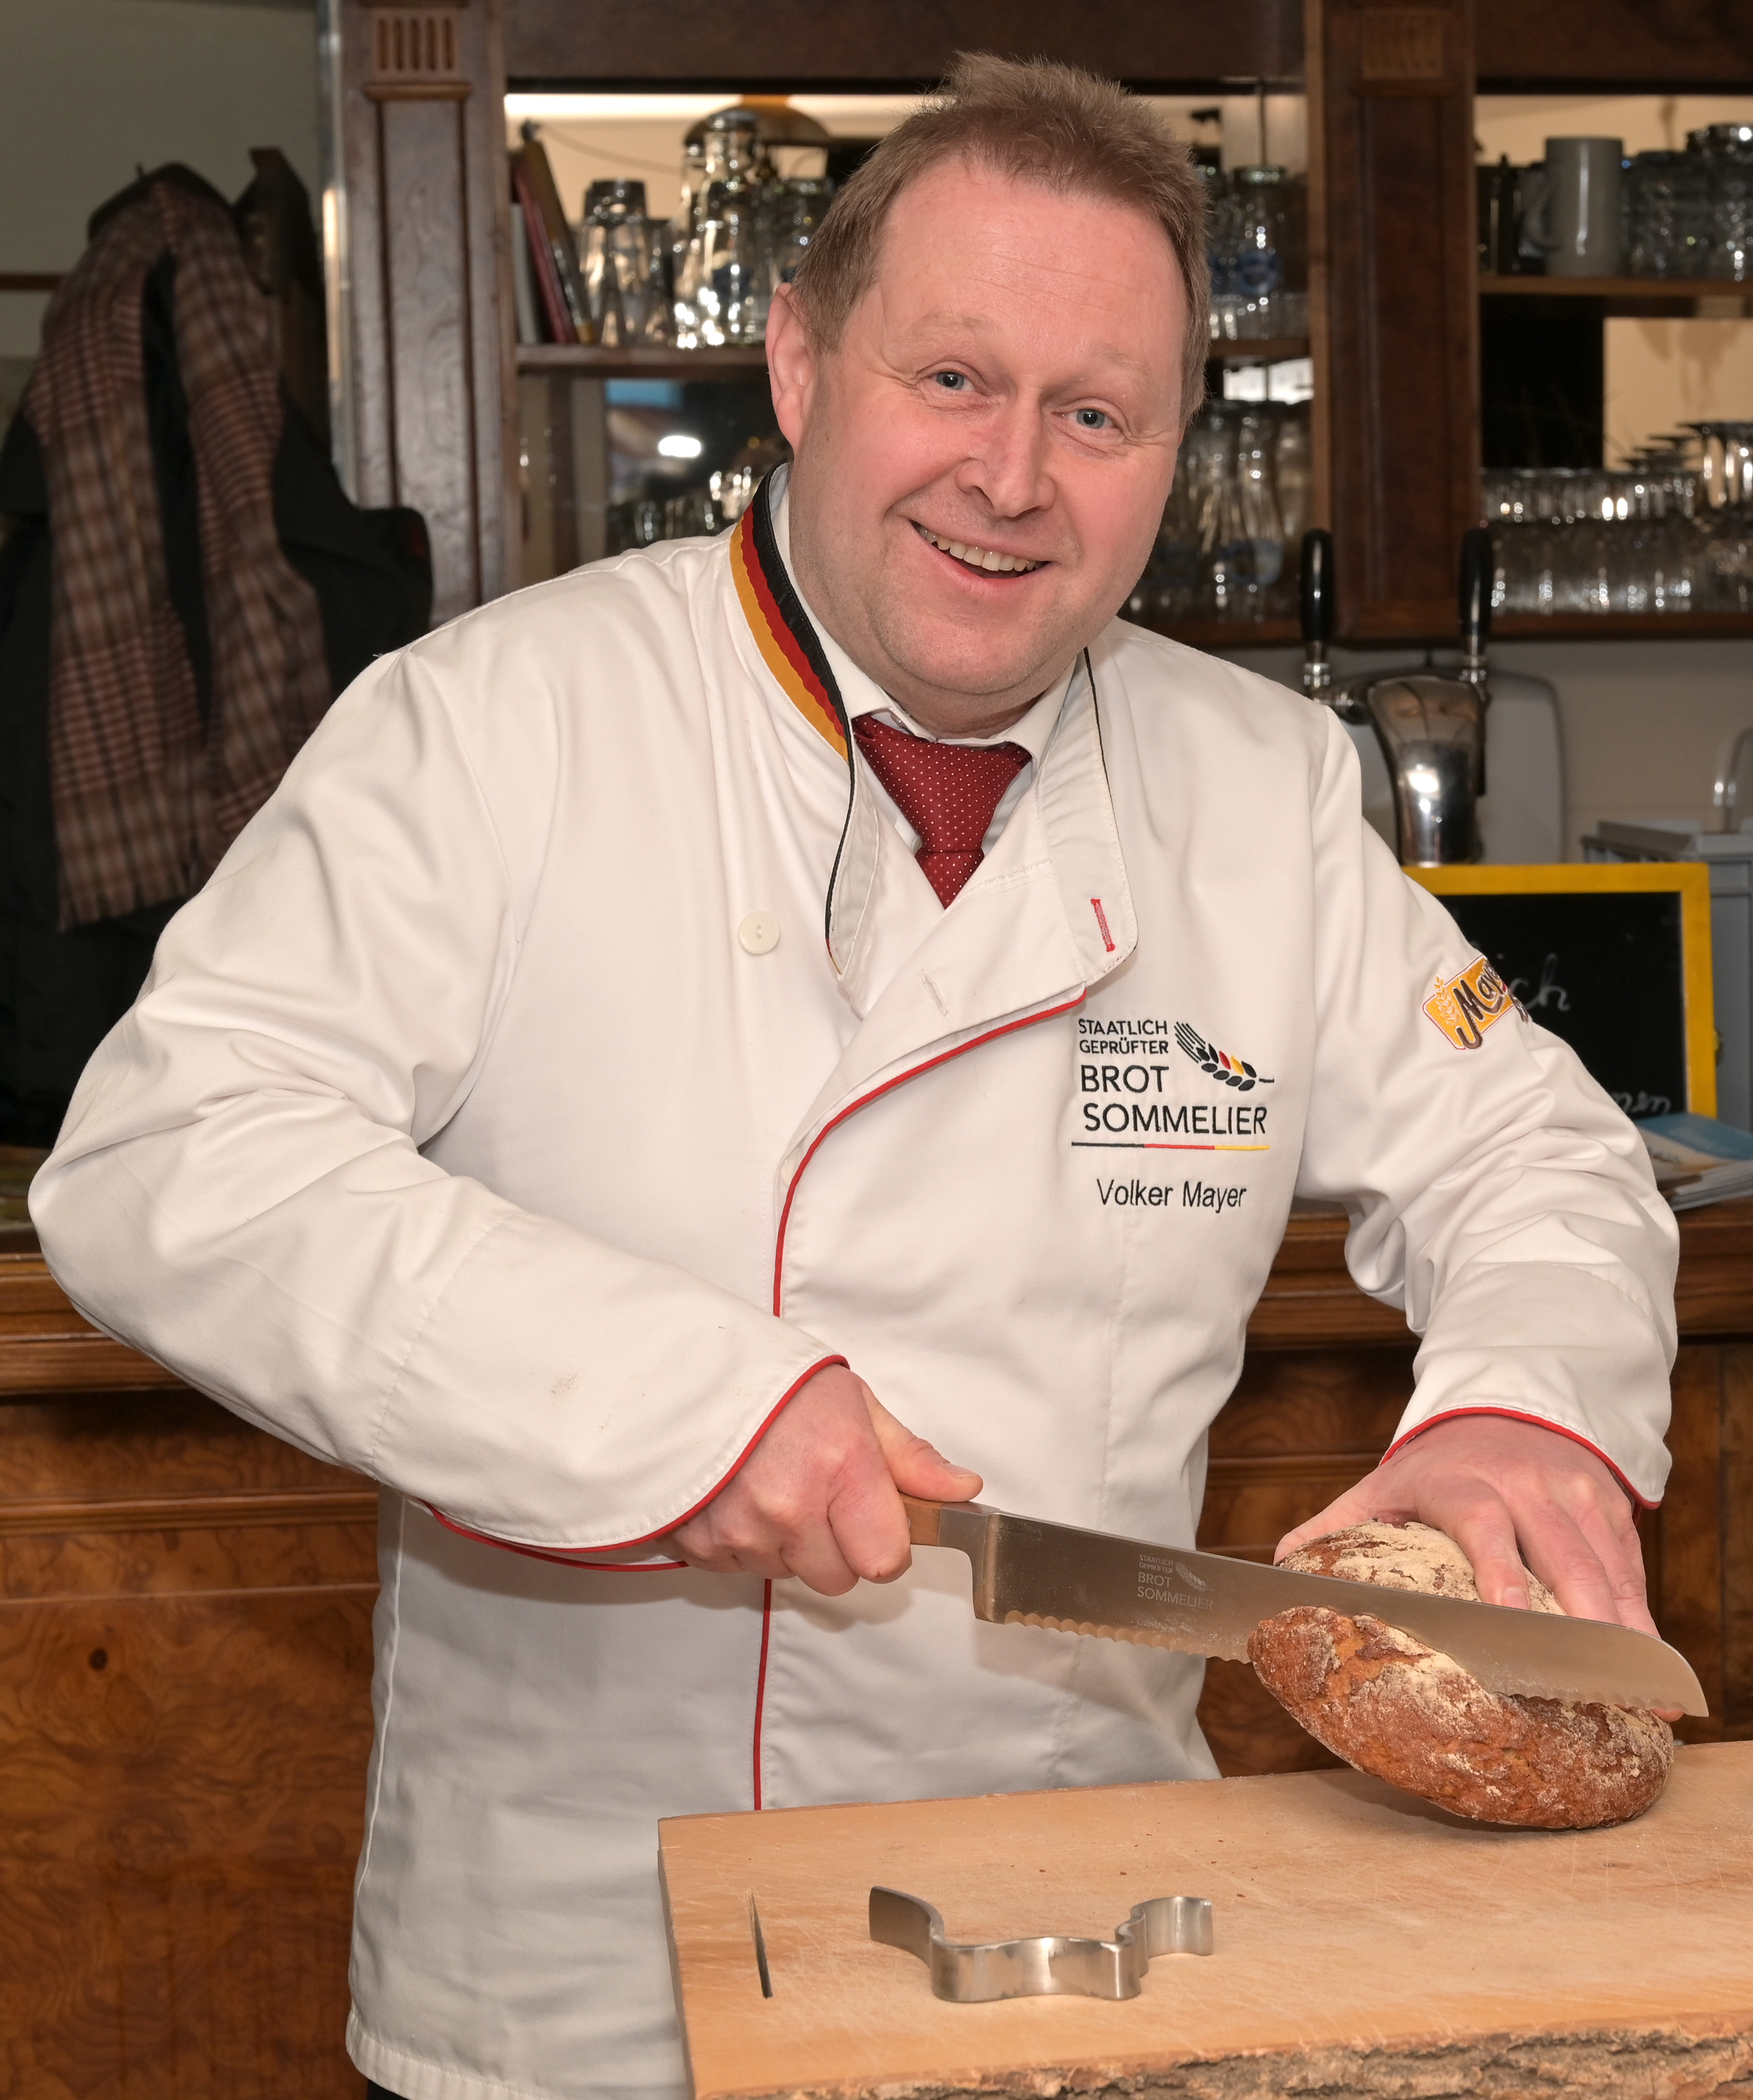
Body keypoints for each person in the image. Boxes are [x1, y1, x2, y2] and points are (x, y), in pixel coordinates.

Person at [30, 54, 1677, 2100]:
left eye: (1097, 415)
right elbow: (168, 1158)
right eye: (953, 379)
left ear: (1174, 452)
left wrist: (1525, 1410)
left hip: (1098, 1929)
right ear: (800, 366)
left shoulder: (1254, 787)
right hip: (586, 1975)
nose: (1013, 478)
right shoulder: (490, 726)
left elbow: (1532, 1143)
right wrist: (677, 1401)